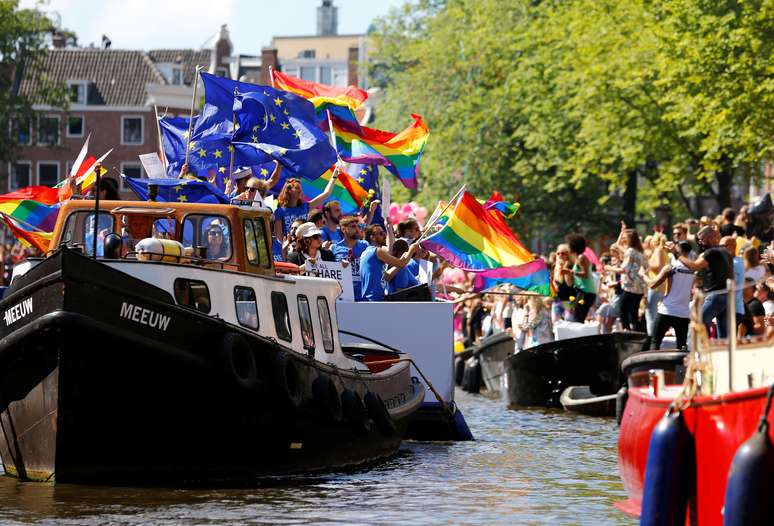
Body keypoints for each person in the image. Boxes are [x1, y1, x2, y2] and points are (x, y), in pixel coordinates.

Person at [669, 226, 732, 337]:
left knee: (699, 322)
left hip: (716, 296)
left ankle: (703, 345)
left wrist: (676, 254)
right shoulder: (725, 251)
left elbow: (694, 266)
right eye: (699, 240)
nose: (701, 242)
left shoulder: (711, 252)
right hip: (726, 296)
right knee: (723, 334)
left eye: (703, 239)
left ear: (711, 237)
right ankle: (716, 347)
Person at [646, 241, 694, 350]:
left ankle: (654, 362)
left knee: (655, 342)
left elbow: (652, 285)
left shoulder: (670, 267)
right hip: (683, 313)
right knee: (682, 346)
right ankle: (681, 362)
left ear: (678, 250)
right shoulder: (693, 269)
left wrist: (643, 275)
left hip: (667, 310)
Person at [274, 167, 339, 239]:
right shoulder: (280, 211)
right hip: (287, 245)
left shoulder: (305, 207)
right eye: (297, 188)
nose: (300, 191)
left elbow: (326, 194)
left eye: (300, 188)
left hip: (303, 245)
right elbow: (279, 235)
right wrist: (288, 245)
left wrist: (334, 176)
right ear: (288, 191)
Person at [360, 224, 418, 302]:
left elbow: (386, 276)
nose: (385, 235)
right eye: (381, 233)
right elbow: (402, 263)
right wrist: (411, 250)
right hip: (375, 299)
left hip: (372, 299)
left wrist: (403, 259)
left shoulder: (366, 252)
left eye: (384, 232)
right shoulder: (377, 251)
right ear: (372, 237)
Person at [606, 227, 646, 331]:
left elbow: (623, 270)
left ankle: (626, 332)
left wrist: (609, 268)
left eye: (625, 238)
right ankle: (636, 334)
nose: (623, 240)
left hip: (630, 288)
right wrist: (622, 232)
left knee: (622, 311)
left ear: (630, 240)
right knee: (633, 314)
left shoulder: (630, 251)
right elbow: (617, 245)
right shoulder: (639, 251)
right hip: (639, 289)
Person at [332, 216, 369, 301]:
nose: (357, 229)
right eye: (353, 226)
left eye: (358, 226)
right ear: (343, 229)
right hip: (343, 296)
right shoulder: (334, 248)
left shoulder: (365, 245)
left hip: (363, 296)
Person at [562, 234, 596, 323]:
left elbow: (585, 274)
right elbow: (570, 283)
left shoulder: (581, 257)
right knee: (578, 318)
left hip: (586, 293)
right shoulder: (578, 258)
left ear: (574, 245)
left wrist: (571, 272)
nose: (568, 247)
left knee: (577, 319)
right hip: (583, 292)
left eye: (569, 245)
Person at [552, 244, 574, 321]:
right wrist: (554, 286)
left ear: (568, 255)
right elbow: (555, 282)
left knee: (569, 320)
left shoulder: (571, 266)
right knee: (555, 322)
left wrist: (564, 269)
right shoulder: (556, 266)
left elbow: (569, 284)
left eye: (563, 253)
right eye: (558, 253)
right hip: (557, 299)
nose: (560, 255)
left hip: (568, 299)